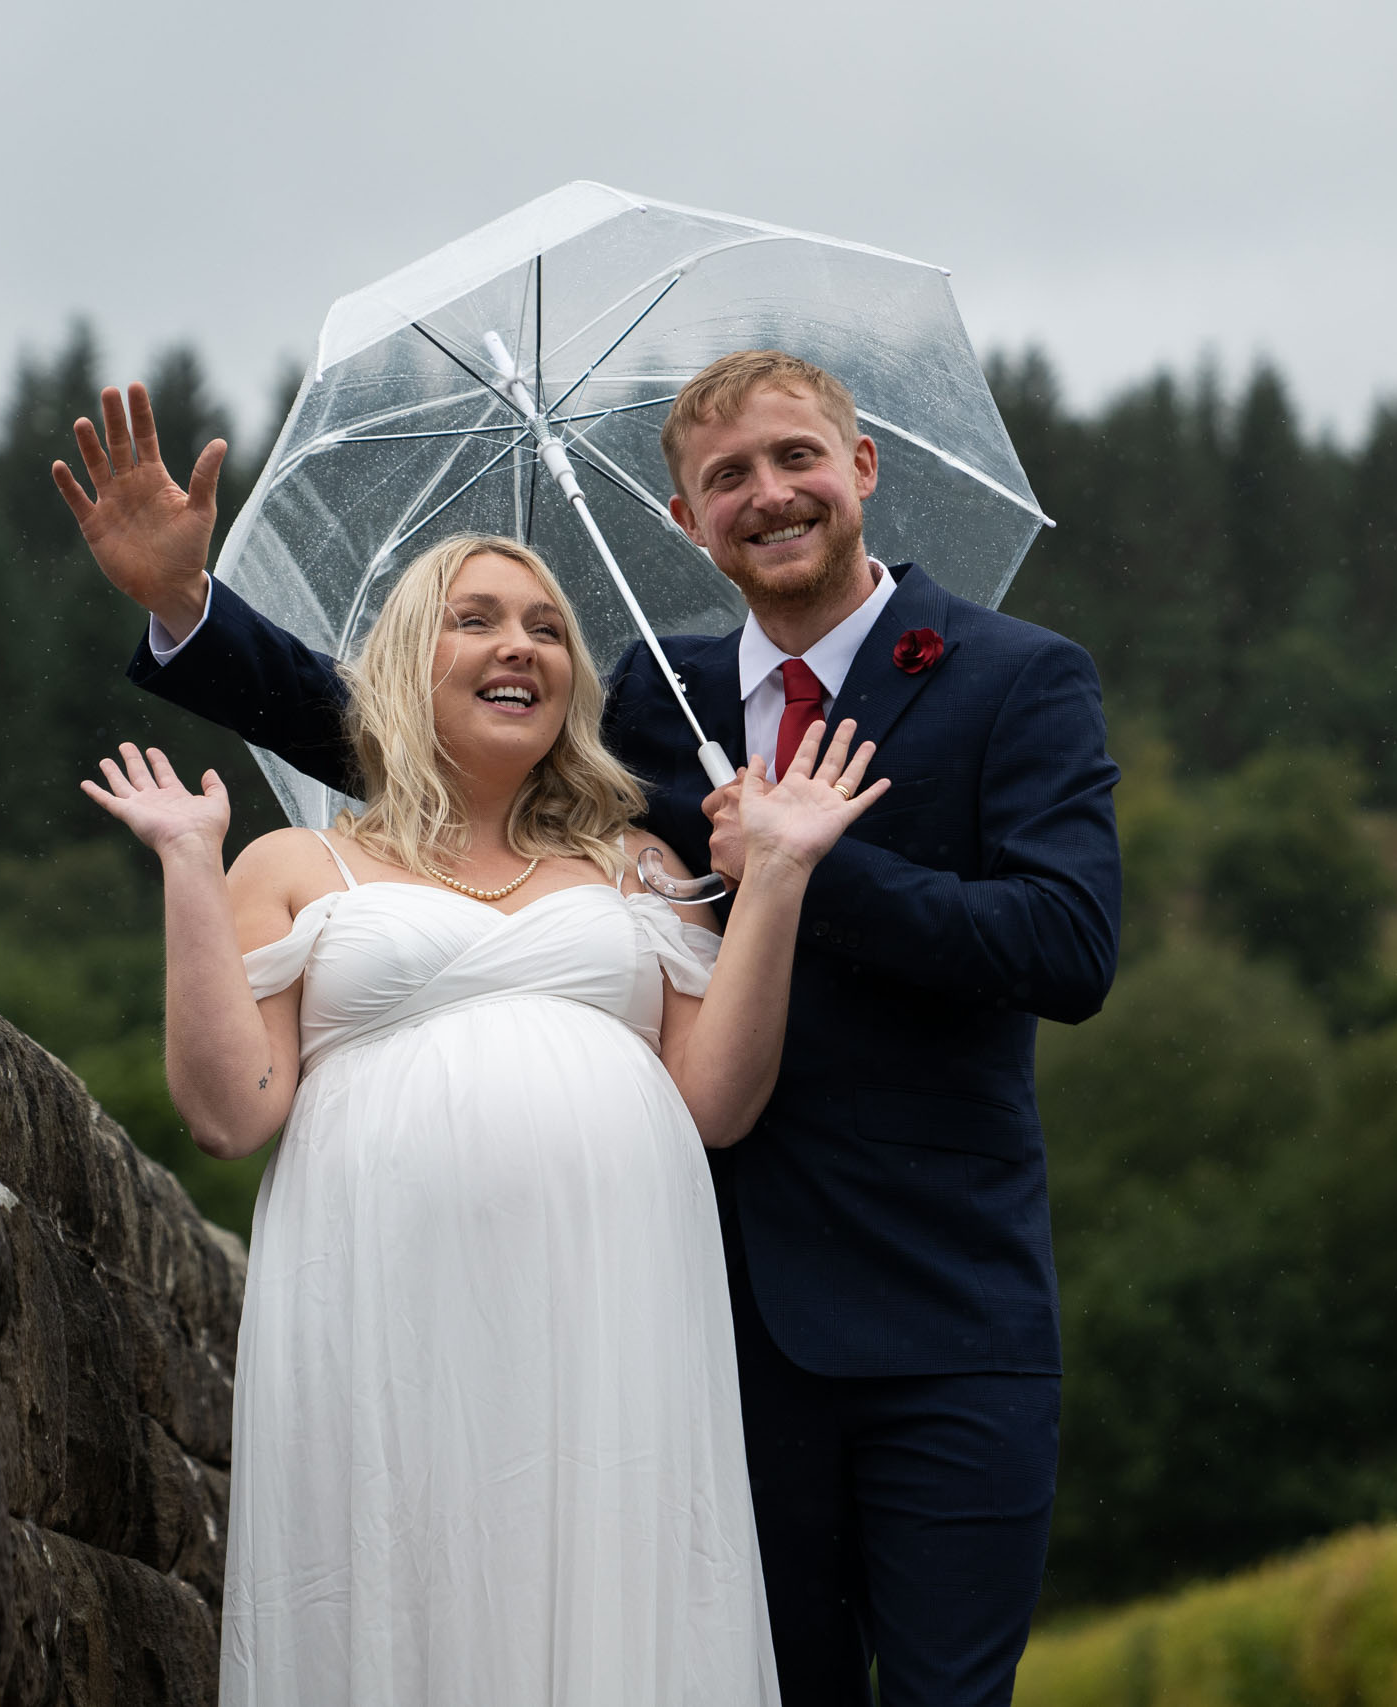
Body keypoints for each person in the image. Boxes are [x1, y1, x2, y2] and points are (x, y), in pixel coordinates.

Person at [55, 349, 1122, 1705]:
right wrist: (189, 608)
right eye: (727, 475)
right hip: (707, 1309)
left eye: (797, 457)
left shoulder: (1015, 678)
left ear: (861, 469)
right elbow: (437, 740)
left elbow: (1066, 944)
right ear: (687, 519)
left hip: (942, 1303)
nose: (769, 493)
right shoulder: (657, 695)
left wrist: (809, 866)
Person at [80, 530, 886, 1705]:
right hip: (379, 1304)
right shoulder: (298, 862)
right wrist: (190, 869)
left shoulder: (643, 868)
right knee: (404, 1570)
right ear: (408, 661)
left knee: (610, 1575)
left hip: (612, 1320)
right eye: (478, 619)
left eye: (547, 628)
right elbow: (228, 1112)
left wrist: (776, 881)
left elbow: (717, 1101)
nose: (520, 645)